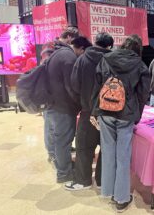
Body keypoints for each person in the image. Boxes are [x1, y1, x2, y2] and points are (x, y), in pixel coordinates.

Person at [92, 34, 150, 212]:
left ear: (122, 45)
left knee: (108, 153)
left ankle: (108, 191)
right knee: (123, 157)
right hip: (126, 115)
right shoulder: (140, 66)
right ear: (138, 49)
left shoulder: (106, 59)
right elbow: (142, 94)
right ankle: (122, 198)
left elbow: (98, 85)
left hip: (105, 110)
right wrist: (137, 116)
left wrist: (95, 110)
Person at [65, 32, 113, 191]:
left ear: (95, 42)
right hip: (109, 113)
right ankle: (102, 181)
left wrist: (83, 103)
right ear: (109, 46)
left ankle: (83, 181)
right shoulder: (113, 60)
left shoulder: (82, 59)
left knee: (84, 147)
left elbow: (74, 86)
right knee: (107, 148)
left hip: (87, 111)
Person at [46, 27, 81, 183]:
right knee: (63, 141)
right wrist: (79, 103)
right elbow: (71, 85)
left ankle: (62, 167)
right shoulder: (67, 55)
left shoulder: (54, 52)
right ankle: (64, 174)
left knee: (59, 139)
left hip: (53, 104)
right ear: (69, 38)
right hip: (63, 107)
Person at [40, 42, 55, 164]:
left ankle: (53, 152)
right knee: (50, 128)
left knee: (52, 128)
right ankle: (51, 153)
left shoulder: (45, 61)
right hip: (49, 101)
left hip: (49, 100)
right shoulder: (46, 62)